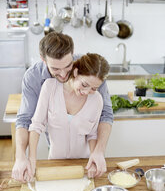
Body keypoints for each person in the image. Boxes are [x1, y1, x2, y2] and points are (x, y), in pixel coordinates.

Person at [12, 32, 113, 182]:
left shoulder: (90, 72)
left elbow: (105, 115)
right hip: (55, 150)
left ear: (73, 56)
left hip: (81, 160)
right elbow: (27, 120)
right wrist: (22, 157)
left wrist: (98, 151)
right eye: (56, 69)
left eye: (67, 66)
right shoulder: (36, 79)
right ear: (43, 60)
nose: (64, 74)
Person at [27, 53, 110, 181]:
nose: (87, 92)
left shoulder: (97, 100)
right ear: (76, 72)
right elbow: (36, 126)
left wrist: (95, 156)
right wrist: (31, 159)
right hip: (55, 162)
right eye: (84, 84)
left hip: (83, 166)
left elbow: (92, 134)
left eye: (94, 88)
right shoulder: (50, 87)